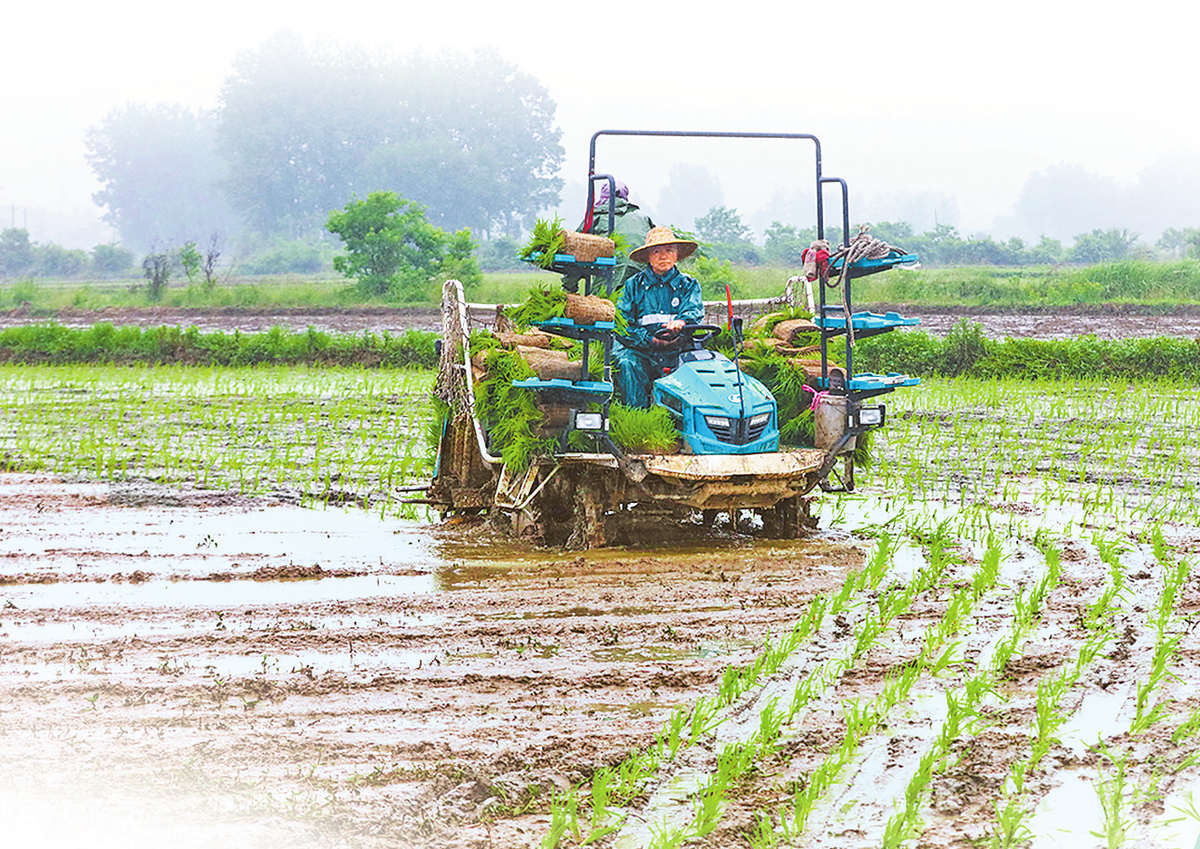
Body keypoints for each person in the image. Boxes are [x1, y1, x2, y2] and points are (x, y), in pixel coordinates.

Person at [612, 227, 704, 408]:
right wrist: (651, 340)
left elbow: (693, 311)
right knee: (627, 363)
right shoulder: (633, 286)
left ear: (677, 255)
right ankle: (635, 418)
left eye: (669, 250)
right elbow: (622, 324)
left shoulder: (689, 285)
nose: (663, 256)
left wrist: (682, 322)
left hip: (678, 352)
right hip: (642, 352)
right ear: (648, 256)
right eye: (656, 251)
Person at [561, 180, 654, 293]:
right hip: (642, 280)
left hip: (611, 275)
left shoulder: (595, 216)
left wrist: (568, 288)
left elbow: (576, 251)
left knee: (600, 303)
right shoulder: (643, 218)